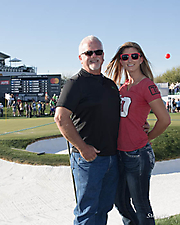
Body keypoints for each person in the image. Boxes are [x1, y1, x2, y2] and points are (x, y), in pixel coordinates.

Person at [54, 35, 121, 225]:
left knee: (103, 209)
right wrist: (83, 148)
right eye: (89, 52)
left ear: (103, 55)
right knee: (87, 213)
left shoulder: (110, 85)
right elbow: (60, 117)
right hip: (88, 160)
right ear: (80, 57)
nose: (94, 56)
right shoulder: (75, 84)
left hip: (112, 158)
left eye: (98, 52)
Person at [106, 41, 171, 225]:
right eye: (125, 57)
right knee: (121, 202)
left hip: (138, 154)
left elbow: (165, 120)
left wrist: (147, 136)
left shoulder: (147, 85)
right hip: (120, 153)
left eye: (134, 56)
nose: (130, 60)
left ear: (141, 59)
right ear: (121, 61)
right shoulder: (123, 87)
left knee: (141, 205)